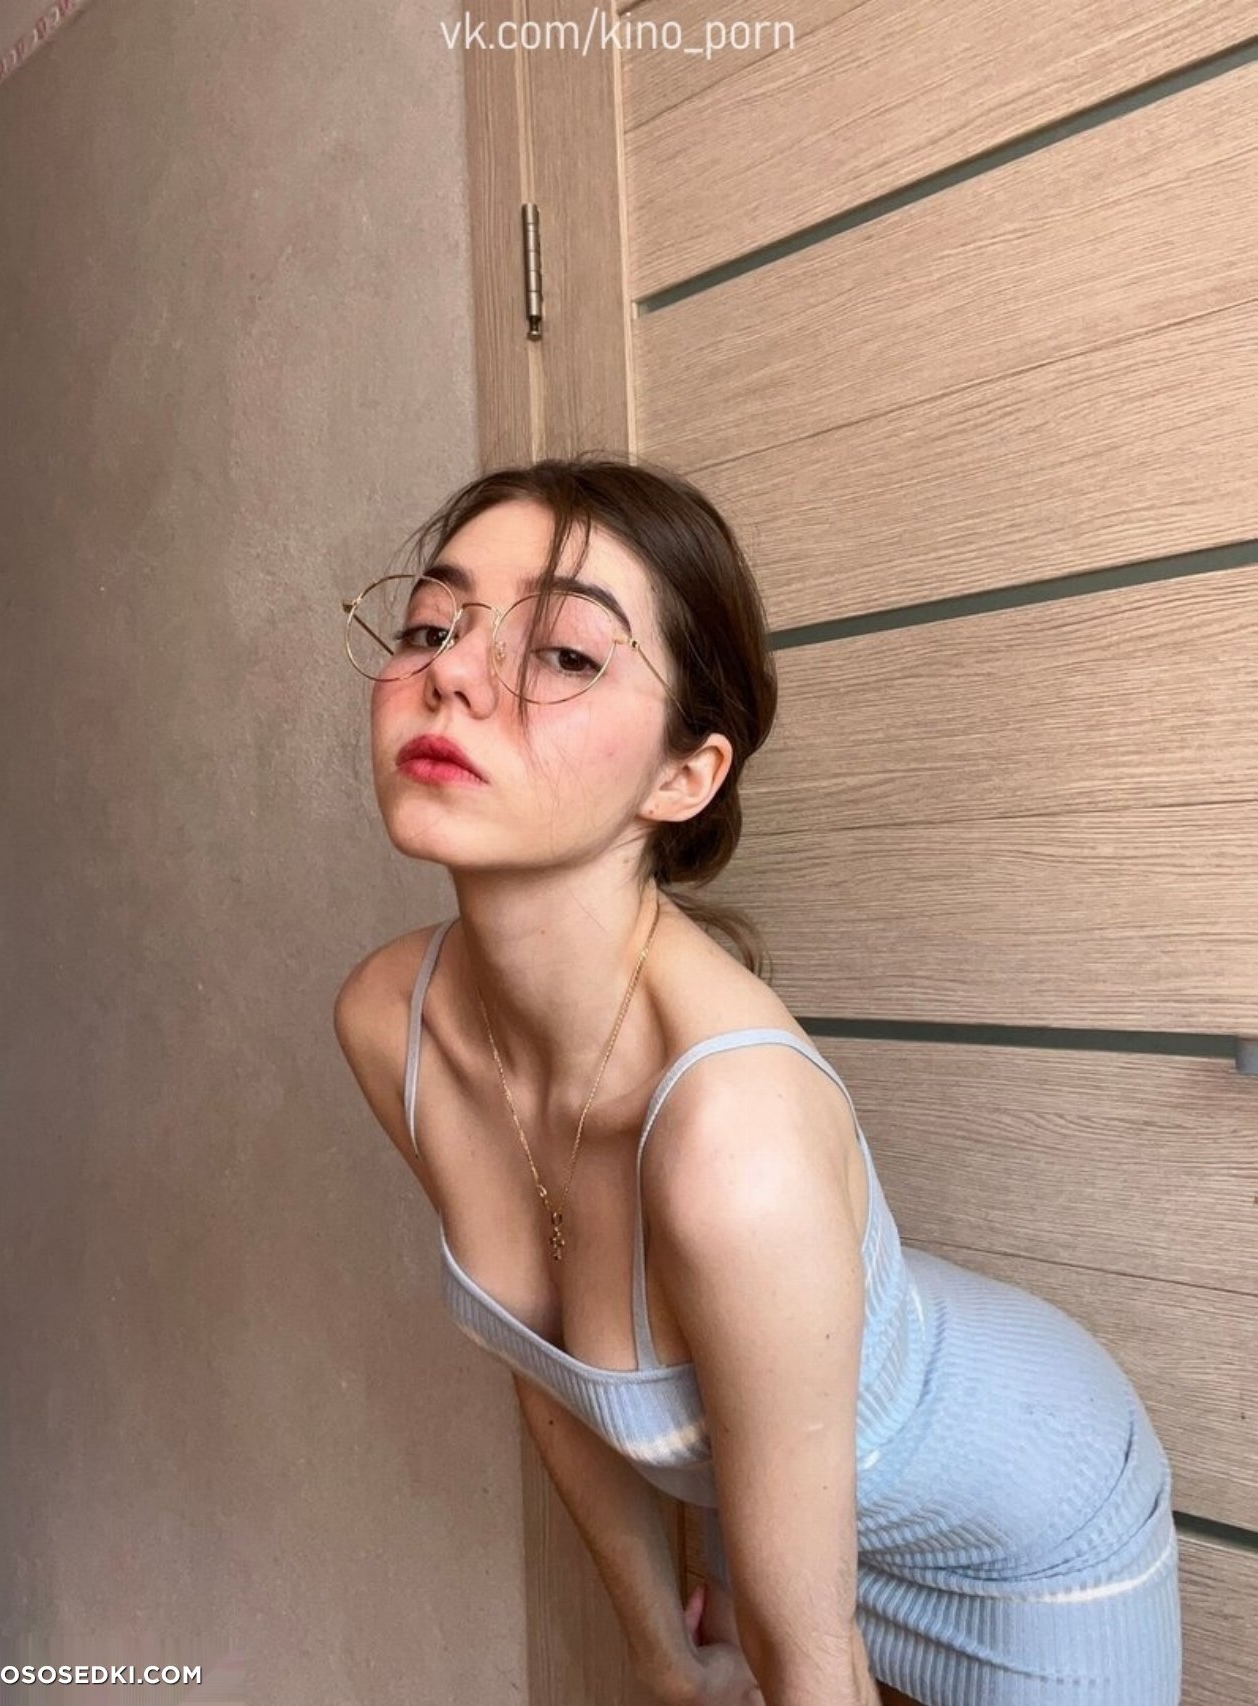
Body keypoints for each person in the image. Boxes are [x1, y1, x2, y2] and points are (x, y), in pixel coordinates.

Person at [332, 455, 1182, 1706]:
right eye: (429, 624)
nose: (452, 671)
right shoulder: (389, 1023)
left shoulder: (736, 1140)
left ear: (683, 776)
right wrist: (662, 1655)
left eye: (562, 652)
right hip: (777, 1485)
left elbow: (811, 1655)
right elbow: (545, 1370)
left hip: (1024, 1537)